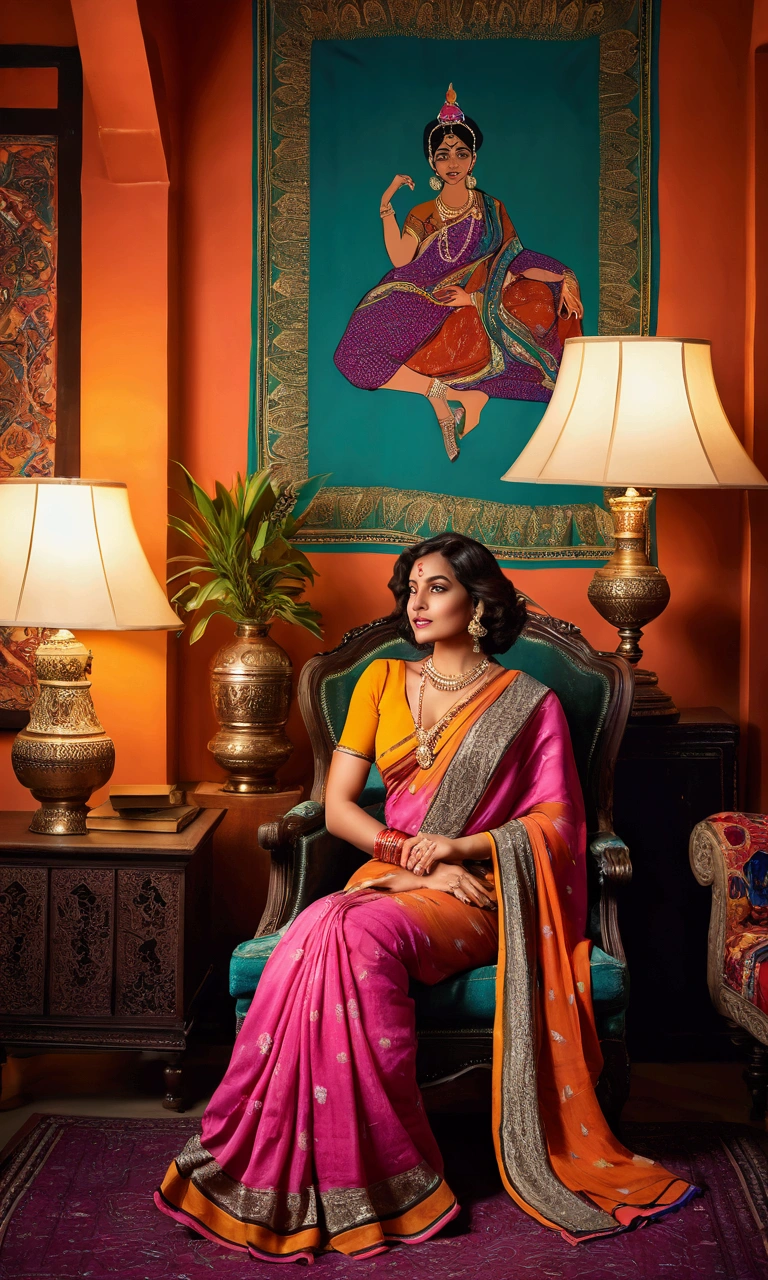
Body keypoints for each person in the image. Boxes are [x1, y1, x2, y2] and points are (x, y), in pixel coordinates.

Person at [155, 533, 697, 1262]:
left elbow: (558, 827)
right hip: (389, 881)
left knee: (346, 932)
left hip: (480, 896)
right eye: (410, 586)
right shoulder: (379, 682)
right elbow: (339, 806)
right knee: (326, 923)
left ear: (479, 602)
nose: (416, 601)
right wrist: (409, 857)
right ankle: (342, 1165)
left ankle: (390, 1174)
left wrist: (458, 850)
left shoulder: (528, 704)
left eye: (436, 587)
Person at [334, 85, 584, 461]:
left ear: (473, 160)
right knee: (352, 356)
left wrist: (564, 276)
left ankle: (461, 398)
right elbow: (402, 260)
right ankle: (450, 396)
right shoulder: (423, 211)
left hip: (461, 299)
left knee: (532, 304)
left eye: (461, 154)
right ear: (432, 163)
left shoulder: (490, 209)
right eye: (442, 155)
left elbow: (514, 258)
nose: (452, 162)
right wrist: (387, 205)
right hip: (414, 294)